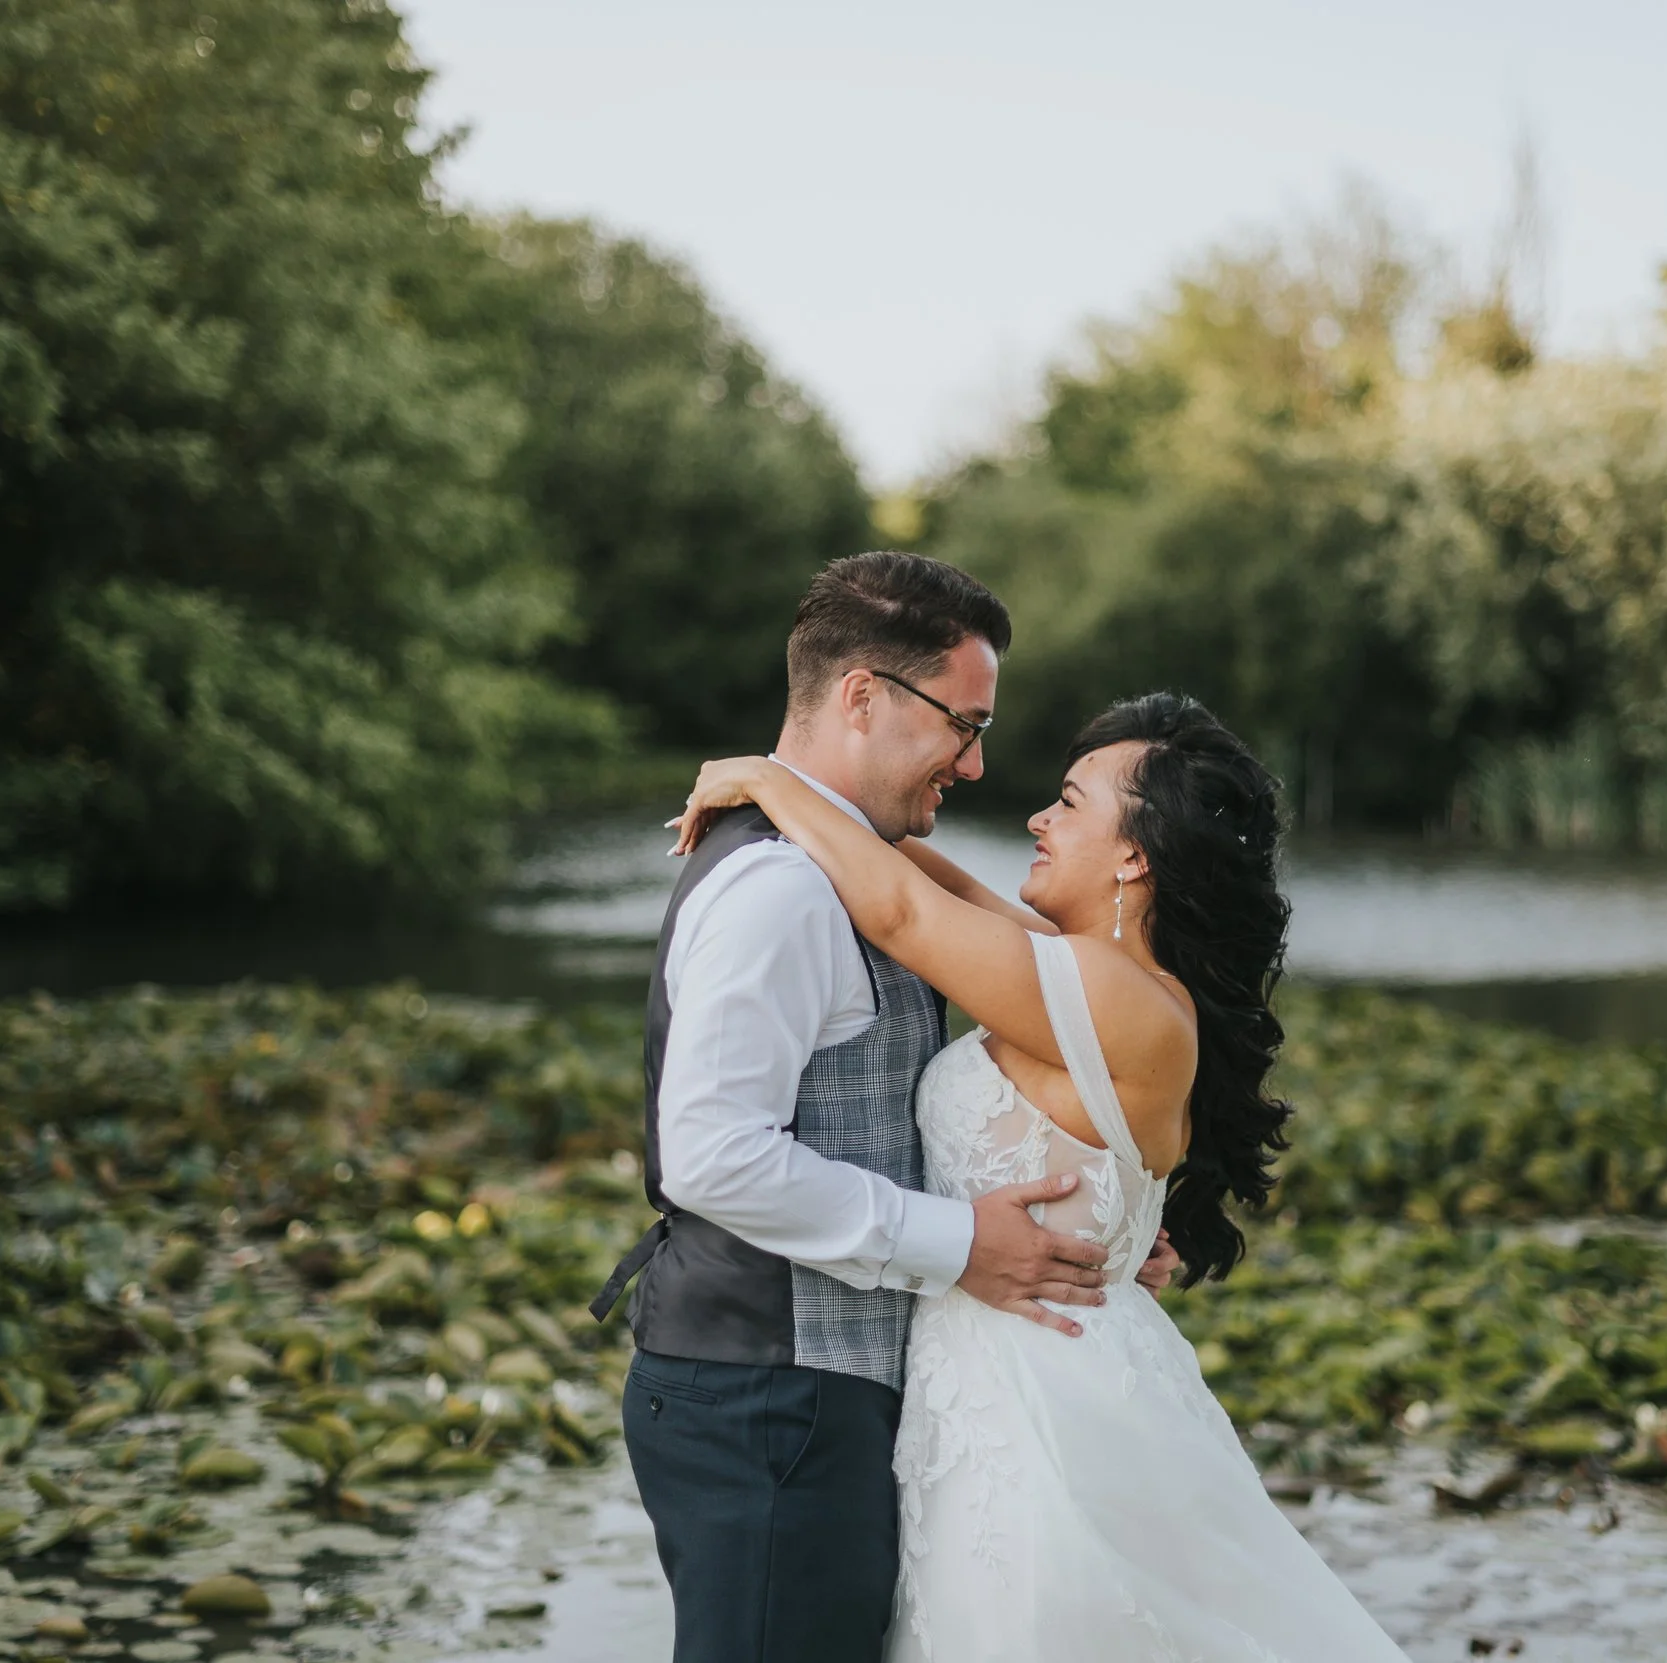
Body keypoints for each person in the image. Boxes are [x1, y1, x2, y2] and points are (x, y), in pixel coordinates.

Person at [670, 691, 1405, 1660]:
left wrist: (766, 778)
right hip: (1004, 1381)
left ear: (1134, 855)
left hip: (1039, 1403)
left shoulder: (1108, 995)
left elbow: (899, 909)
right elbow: (921, 877)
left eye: (1067, 802)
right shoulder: (1082, 973)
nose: (1036, 819)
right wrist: (817, 790)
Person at [590, 551, 1177, 1663]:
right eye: (964, 723)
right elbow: (710, 1155)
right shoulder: (781, 888)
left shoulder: (856, 867)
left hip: (826, 1399)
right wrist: (961, 1241)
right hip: (768, 1400)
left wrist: (1102, 1218)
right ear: (863, 696)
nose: (976, 761)